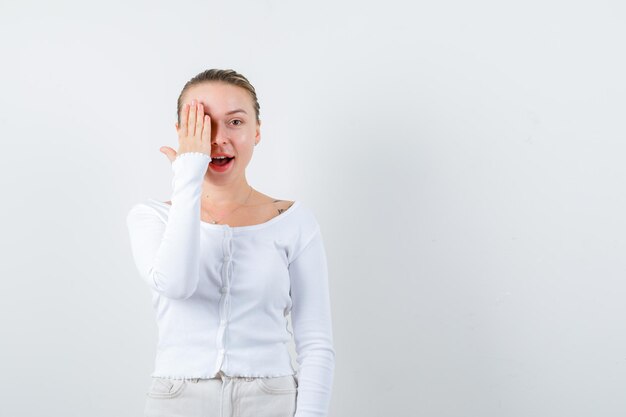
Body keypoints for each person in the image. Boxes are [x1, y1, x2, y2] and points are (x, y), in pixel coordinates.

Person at [125, 69, 336, 417]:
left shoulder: (294, 221)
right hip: (177, 399)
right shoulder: (152, 217)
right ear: (182, 134)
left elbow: (316, 342)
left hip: (272, 398)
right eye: (202, 123)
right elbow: (177, 284)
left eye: (235, 122)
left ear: (257, 132)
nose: (218, 138)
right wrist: (188, 174)